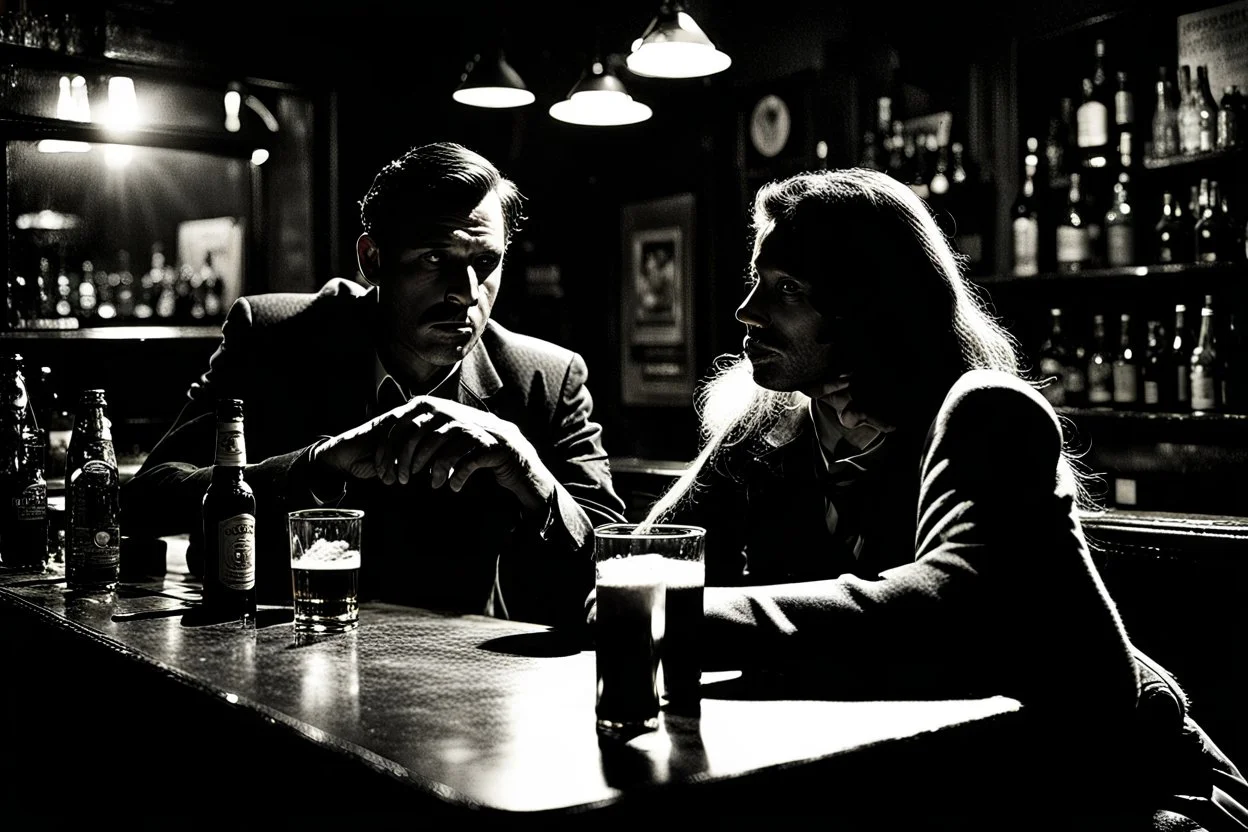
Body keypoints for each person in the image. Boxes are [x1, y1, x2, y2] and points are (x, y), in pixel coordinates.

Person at [644, 168, 1248, 827]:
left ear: (866, 307)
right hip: (952, 784)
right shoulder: (768, 428)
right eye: (758, 280)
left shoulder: (986, 414)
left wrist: (675, 618)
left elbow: (952, 603)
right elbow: (641, 562)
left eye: (786, 289)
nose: (747, 311)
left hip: (1139, 796)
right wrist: (540, 503)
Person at [124, 141, 625, 632]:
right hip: (278, 660)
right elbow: (144, 502)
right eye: (434, 259)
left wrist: (528, 471)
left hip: (464, 683)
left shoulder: (546, 379)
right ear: (372, 258)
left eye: (487, 263)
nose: (466, 293)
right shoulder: (273, 337)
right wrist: (317, 465)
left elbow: (614, 571)